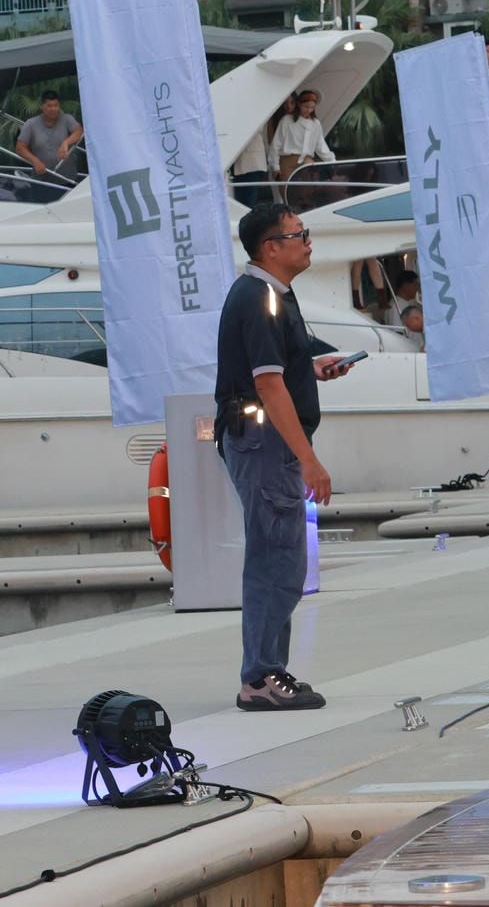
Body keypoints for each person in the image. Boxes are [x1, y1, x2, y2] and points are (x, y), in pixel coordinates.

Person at [214, 202, 354, 712]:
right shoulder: (260, 298)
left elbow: (280, 365)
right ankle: (260, 677)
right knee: (278, 557)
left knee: (281, 555)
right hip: (263, 440)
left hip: (260, 438)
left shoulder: (274, 294)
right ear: (271, 247)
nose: (308, 241)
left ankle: (269, 668)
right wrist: (309, 459)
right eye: (300, 234)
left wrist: (313, 368)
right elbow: (268, 385)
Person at [232, 96, 293, 208]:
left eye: (291, 103)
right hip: (251, 162)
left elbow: (268, 140)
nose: (288, 107)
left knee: (246, 203)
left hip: (252, 163)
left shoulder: (258, 115)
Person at [14, 91, 84, 188]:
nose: (53, 109)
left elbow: (79, 131)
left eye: (56, 105)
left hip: (68, 180)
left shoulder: (67, 119)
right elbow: (20, 147)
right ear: (42, 106)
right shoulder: (30, 124)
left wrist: (66, 143)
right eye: (49, 106)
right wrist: (35, 161)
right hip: (41, 181)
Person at [271, 88, 334, 183]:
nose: (309, 110)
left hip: (306, 162)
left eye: (312, 107)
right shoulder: (287, 120)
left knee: (308, 193)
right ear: (299, 104)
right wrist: (275, 166)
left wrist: (332, 161)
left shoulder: (315, 123)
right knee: (289, 192)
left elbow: (320, 145)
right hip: (287, 162)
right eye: (306, 106)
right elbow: (276, 145)